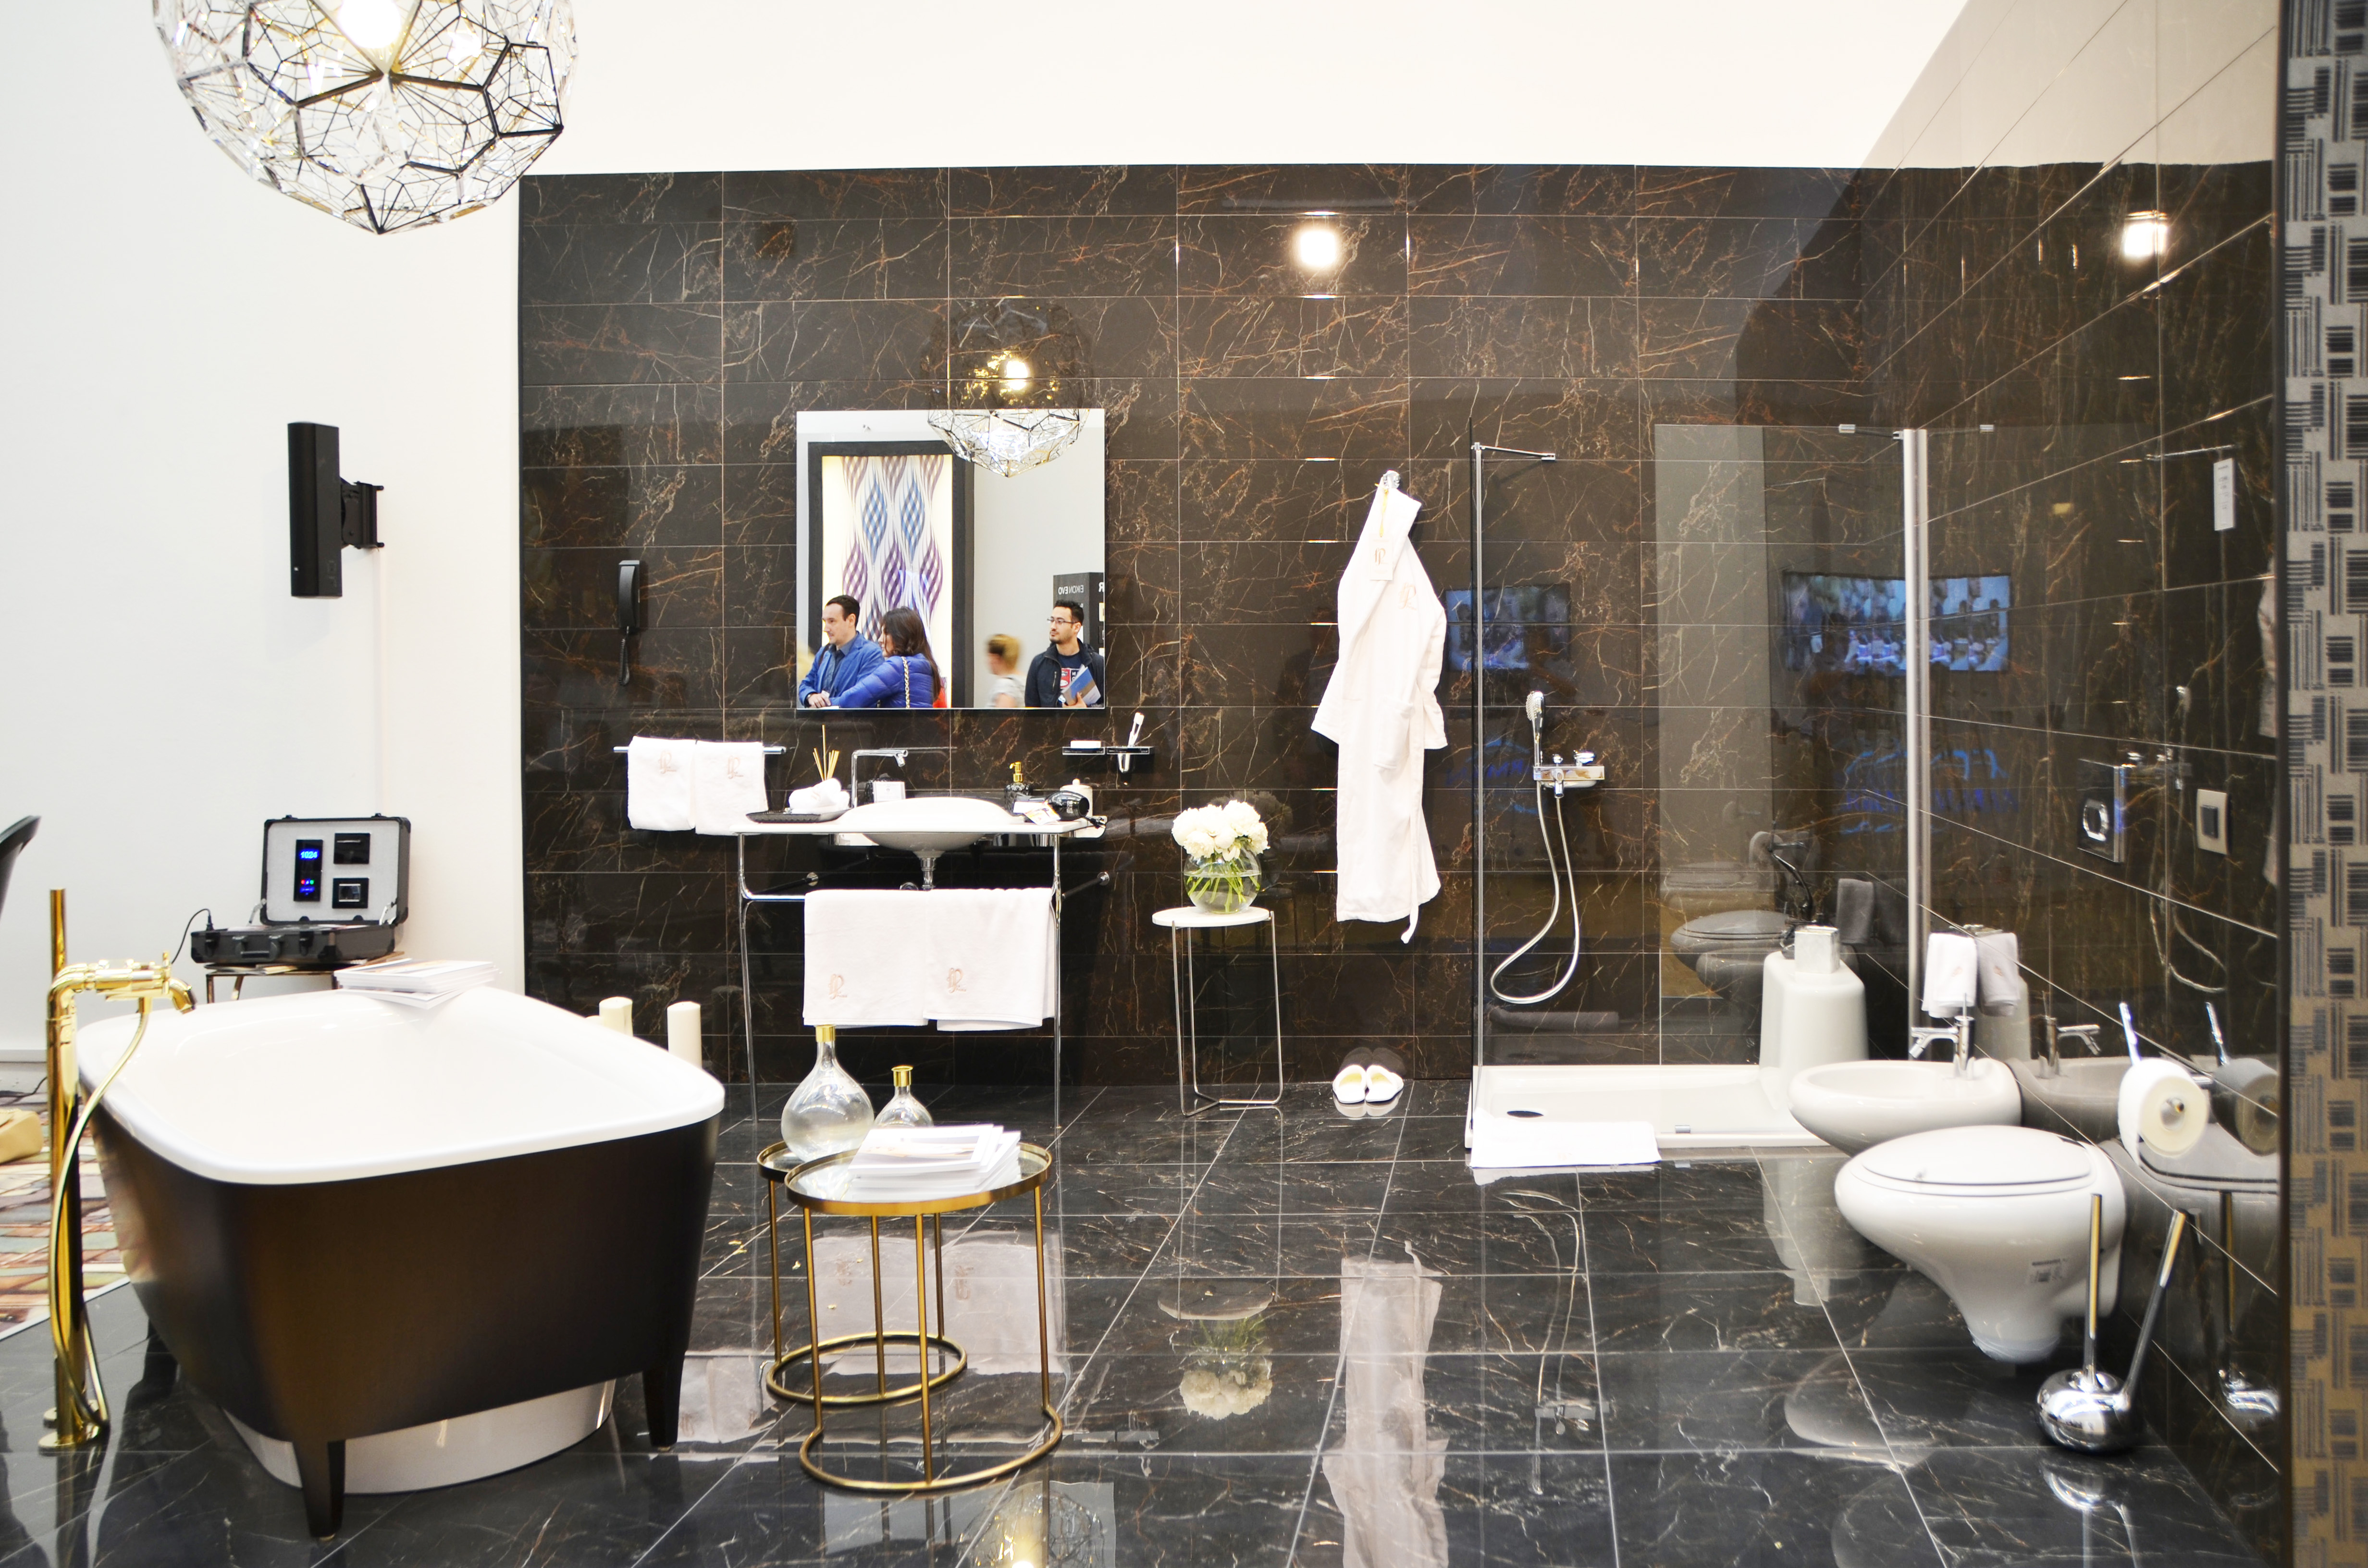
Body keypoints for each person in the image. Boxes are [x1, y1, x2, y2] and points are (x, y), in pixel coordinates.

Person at [835, 605, 940, 709]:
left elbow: (852, 699)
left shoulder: (897, 666)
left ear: (901, 636)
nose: (880, 640)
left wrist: (827, 702)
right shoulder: (925, 665)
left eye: (886, 633)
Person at [797, 594, 886, 708]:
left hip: (851, 720)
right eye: (825, 622)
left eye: (832, 621)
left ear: (851, 620)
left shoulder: (871, 654)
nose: (826, 629)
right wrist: (811, 696)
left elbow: (861, 697)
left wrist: (822, 705)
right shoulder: (824, 652)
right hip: (821, 719)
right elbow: (806, 684)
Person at [1024, 600, 1107, 708]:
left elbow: (1109, 707)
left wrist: (1087, 710)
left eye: (1060, 622)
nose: (1053, 627)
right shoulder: (1039, 663)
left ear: (1076, 627)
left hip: (1086, 719)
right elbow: (1031, 710)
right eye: (1052, 620)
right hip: (1052, 720)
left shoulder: (1097, 663)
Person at [984, 634, 1024, 709]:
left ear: (995, 658)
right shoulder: (1023, 680)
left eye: (989, 656)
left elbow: (1003, 716)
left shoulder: (1005, 686)